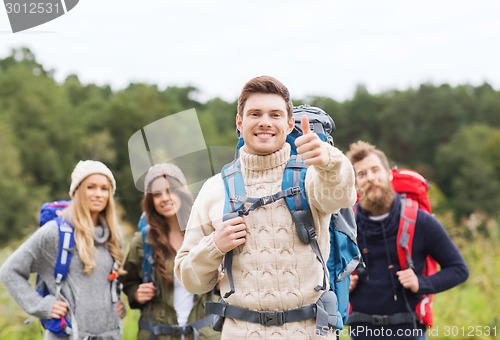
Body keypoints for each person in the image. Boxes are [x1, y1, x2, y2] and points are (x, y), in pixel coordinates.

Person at [174, 75, 357, 339]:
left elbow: (342, 195)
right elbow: (190, 279)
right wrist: (215, 245)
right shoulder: (214, 189)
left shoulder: (312, 177)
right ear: (239, 122)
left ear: (289, 122)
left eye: (275, 114)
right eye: (255, 114)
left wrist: (330, 161)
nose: (265, 122)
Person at [345, 141, 469, 340]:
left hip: (409, 332)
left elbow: (458, 269)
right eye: (362, 174)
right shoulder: (346, 226)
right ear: (355, 184)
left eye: (375, 170)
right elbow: (324, 272)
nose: (370, 178)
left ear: (388, 174)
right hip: (361, 332)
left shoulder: (420, 221)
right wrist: (340, 282)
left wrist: (421, 283)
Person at [0, 160, 125, 339]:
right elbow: (9, 271)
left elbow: (104, 283)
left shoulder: (114, 236)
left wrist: (116, 303)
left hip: (110, 335)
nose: (98, 194)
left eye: (104, 189)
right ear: (77, 191)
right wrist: (42, 305)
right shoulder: (55, 232)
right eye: (91, 187)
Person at [122, 163, 220, 340]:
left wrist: (220, 283)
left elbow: (229, 282)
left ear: (182, 192)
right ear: (150, 201)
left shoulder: (206, 233)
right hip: (156, 334)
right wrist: (136, 292)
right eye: (157, 194)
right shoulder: (142, 241)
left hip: (203, 334)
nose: (164, 198)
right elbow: (127, 282)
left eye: (170, 190)